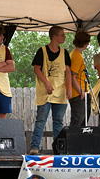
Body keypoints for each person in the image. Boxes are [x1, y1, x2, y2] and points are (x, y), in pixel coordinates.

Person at [29, 26, 72, 155]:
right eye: (62, 35)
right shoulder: (42, 51)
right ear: (55, 37)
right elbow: (36, 69)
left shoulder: (64, 52)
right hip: (45, 92)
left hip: (60, 93)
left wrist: (69, 87)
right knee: (41, 120)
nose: (64, 37)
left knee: (58, 122)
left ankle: (58, 149)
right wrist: (47, 83)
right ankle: (34, 147)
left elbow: (68, 71)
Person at [68, 30, 91, 126]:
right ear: (86, 44)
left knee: (82, 121)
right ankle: (73, 140)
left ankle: (78, 140)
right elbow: (72, 76)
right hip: (78, 94)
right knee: (78, 122)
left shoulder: (75, 54)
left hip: (79, 93)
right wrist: (81, 92)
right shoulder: (77, 56)